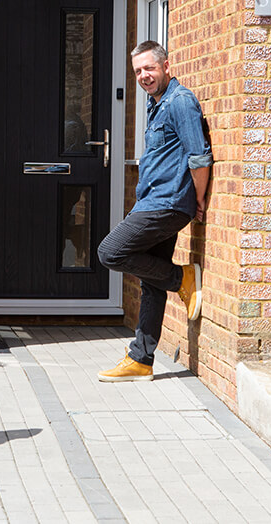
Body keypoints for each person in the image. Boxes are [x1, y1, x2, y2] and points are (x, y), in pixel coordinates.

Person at [97, 40, 212, 382]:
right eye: (137, 71)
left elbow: (199, 156)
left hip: (167, 204)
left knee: (110, 252)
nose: (143, 76)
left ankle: (183, 278)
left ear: (165, 66)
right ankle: (141, 359)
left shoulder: (180, 102)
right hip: (153, 200)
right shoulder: (155, 104)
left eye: (149, 68)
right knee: (151, 281)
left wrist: (200, 199)